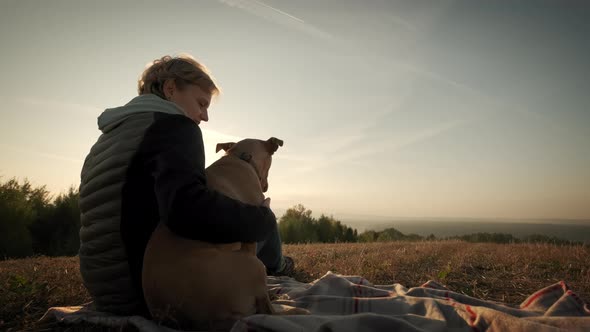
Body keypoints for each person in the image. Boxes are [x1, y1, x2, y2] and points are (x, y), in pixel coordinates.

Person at [78, 54, 294, 317]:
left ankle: (275, 262)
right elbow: (185, 210)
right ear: (170, 89)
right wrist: (261, 220)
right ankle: (280, 265)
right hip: (155, 289)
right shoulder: (175, 126)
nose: (204, 117)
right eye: (201, 104)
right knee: (258, 213)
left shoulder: (105, 140)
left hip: (106, 292)